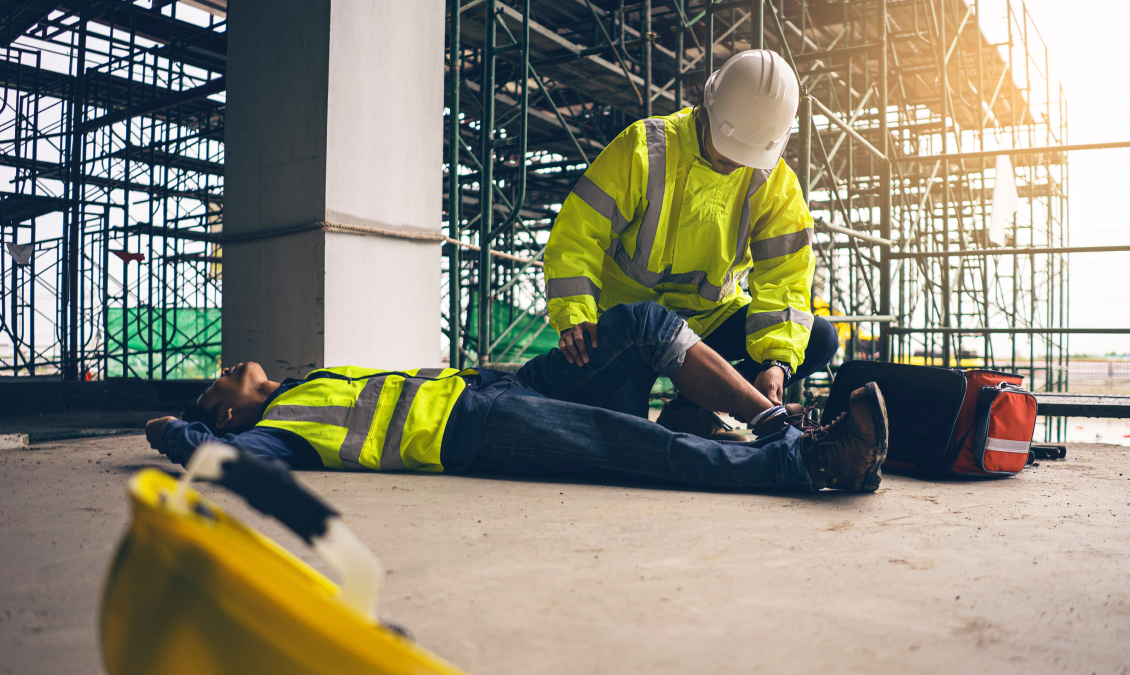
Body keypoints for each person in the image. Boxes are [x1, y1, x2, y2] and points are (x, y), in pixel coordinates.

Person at [147, 302, 888, 494]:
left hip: (488, 387)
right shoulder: (276, 430)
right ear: (225, 408)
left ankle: (766, 422)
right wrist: (173, 429)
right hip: (474, 431)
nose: (228, 365)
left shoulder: (304, 382)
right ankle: (809, 462)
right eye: (216, 382)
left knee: (636, 328)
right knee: (635, 449)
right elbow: (218, 457)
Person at [543, 49, 838, 440]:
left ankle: (693, 409)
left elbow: (785, 279)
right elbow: (578, 233)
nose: (735, 163)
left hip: (708, 322)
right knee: (623, 432)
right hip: (632, 327)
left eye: (747, 156)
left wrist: (776, 362)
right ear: (707, 108)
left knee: (820, 338)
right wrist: (575, 315)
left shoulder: (774, 185)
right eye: (727, 150)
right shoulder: (645, 147)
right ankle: (670, 402)